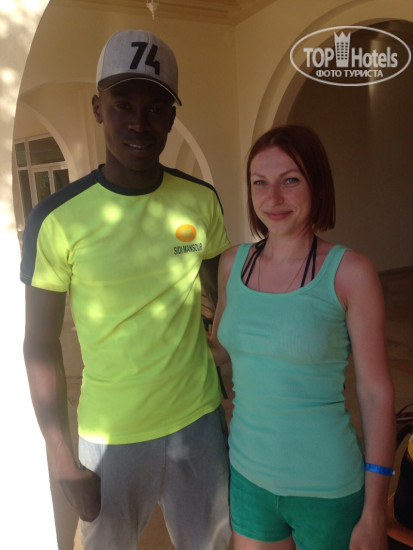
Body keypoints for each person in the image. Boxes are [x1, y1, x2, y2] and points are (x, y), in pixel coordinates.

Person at [21, 29, 231, 550]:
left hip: (198, 422)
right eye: (123, 105)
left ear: (172, 117)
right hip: (109, 434)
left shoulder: (200, 201)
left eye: (156, 108)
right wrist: (60, 455)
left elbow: (223, 298)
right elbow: (40, 343)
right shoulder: (57, 218)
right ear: (98, 108)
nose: (140, 123)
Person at [208, 125, 395, 550]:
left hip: (326, 487)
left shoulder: (350, 272)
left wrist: (374, 511)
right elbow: (220, 349)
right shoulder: (233, 263)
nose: (273, 198)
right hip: (249, 476)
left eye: (290, 180)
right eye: (260, 182)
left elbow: (375, 394)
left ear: (317, 184)